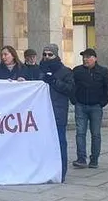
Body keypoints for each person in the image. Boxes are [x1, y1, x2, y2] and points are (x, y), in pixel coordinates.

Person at [71, 48, 108, 169]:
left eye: (88, 57)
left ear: (95, 58)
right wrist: (74, 100)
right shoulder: (77, 71)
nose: (85, 59)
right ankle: (81, 158)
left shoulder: (103, 71)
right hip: (81, 105)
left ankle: (94, 159)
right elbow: (72, 86)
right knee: (80, 133)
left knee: (95, 134)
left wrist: (102, 102)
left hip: (96, 106)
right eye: (84, 57)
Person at [38, 43, 74, 183]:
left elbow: (70, 89)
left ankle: (61, 171)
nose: (47, 57)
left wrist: (54, 81)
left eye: (50, 54)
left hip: (57, 111)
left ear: (56, 55)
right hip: (41, 112)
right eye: (45, 54)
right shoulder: (39, 70)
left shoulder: (65, 71)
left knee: (59, 142)